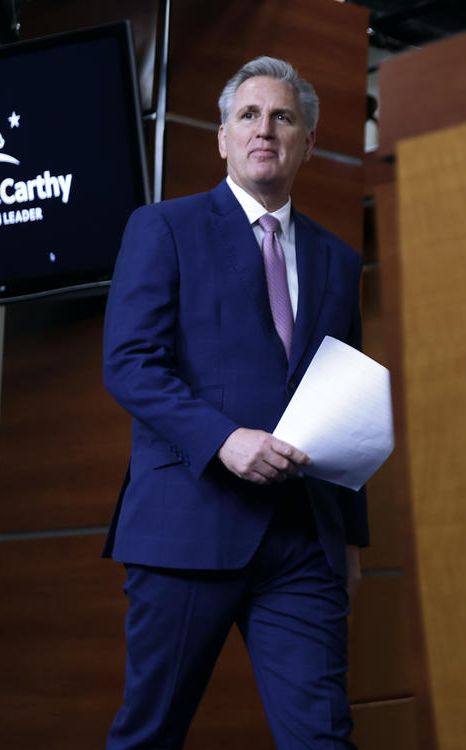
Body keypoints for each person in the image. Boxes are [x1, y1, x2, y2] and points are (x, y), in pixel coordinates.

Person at [101, 56, 368, 749]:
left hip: (303, 540)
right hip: (188, 528)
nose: (265, 129)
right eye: (248, 114)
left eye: (283, 117)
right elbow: (130, 364)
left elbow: (347, 394)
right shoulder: (163, 229)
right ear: (222, 137)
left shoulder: (338, 261)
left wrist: (353, 540)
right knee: (149, 735)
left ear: (306, 140)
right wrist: (225, 439)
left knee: (324, 740)